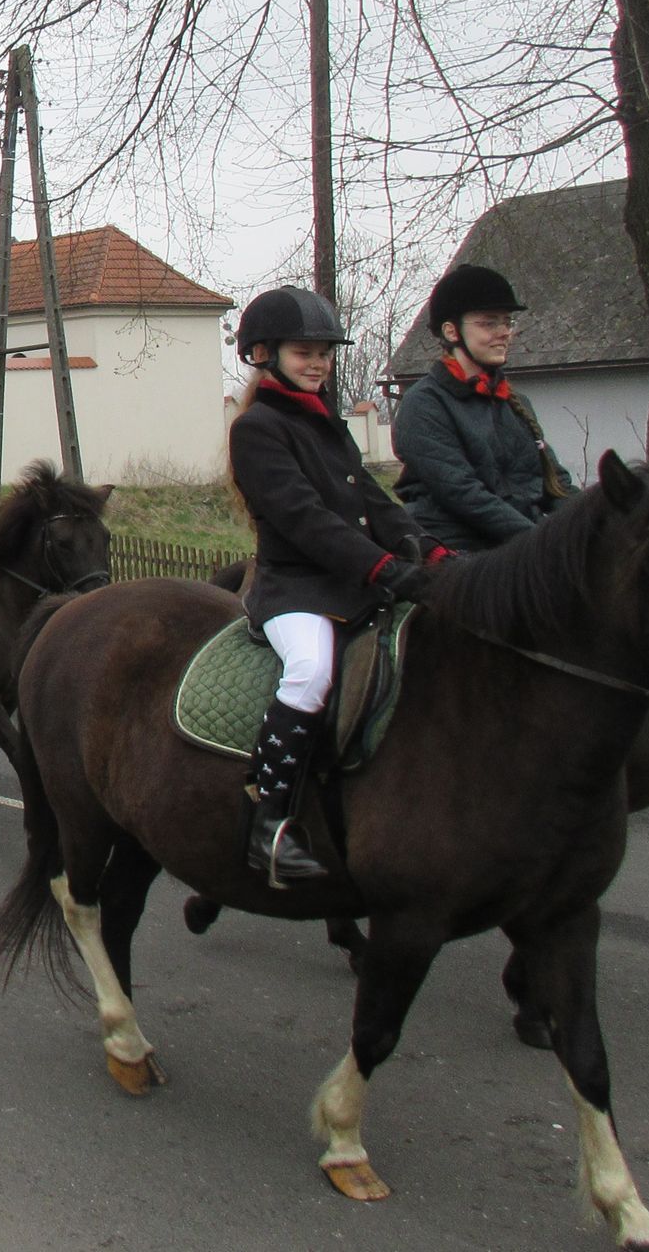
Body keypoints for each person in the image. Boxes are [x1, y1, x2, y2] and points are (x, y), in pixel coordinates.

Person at [227, 286, 432, 887]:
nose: (318, 363)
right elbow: (305, 519)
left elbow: (372, 500)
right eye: (304, 352)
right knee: (312, 670)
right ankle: (267, 823)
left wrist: (432, 551)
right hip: (295, 590)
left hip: (353, 584)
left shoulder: (325, 424)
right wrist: (383, 568)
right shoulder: (257, 429)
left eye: (325, 352)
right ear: (263, 354)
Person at [392, 264, 575, 553]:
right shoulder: (424, 405)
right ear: (451, 331)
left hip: (521, 544)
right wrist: (540, 542)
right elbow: (463, 493)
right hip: (458, 552)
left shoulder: (515, 402)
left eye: (507, 322)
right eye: (489, 323)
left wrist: (592, 519)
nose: (504, 332)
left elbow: (556, 482)